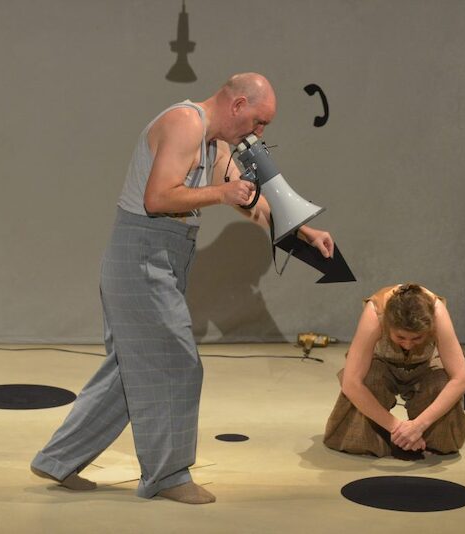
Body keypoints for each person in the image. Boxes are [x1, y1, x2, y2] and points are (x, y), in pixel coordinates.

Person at [30, 73, 334, 504]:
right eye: (259, 121)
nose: (260, 132)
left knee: (130, 369)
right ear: (237, 105)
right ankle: (167, 476)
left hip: (163, 255)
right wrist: (222, 193)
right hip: (142, 254)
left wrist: (305, 233)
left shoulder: (216, 144)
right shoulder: (185, 123)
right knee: (177, 363)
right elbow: (157, 199)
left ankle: (58, 458)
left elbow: (253, 203)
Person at [323, 283, 465, 458]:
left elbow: (460, 379)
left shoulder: (437, 313)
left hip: (426, 362)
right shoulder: (375, 312)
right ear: (387, 325)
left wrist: (418, 426)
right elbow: (351, 383)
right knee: (369, 379)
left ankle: (425, 440)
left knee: (442, 383)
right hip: (381, 360)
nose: (407, 344)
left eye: (417, 338)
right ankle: (385, 438)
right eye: (400, 337)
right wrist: (396, 428)